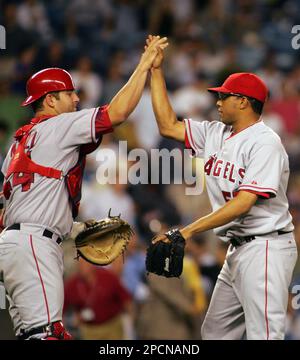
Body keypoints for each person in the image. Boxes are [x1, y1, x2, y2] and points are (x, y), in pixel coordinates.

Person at [0, 35, 168, 340]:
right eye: (69, 94)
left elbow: (11, 208)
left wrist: (75, 228)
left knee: (34, 334)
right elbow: (116, 113)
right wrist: (144, 64)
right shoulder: (59, 125)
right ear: (50, 100)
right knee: (48, 334)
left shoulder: (18, 143)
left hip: (16, 245)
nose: (76, 100)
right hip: (35, 246)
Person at [149, 38, 298, 340]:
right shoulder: (215, 133)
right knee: (215, 332)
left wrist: (186, 232)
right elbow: (167, 125)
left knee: (265, 336)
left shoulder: (265, 142)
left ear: (243, 101)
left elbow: (244, 203)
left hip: (266, 247)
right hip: (237, 249)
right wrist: (155, 70)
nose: (217, 101)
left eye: (224, 96)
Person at [64, 258, 132, 340]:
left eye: (85, 264)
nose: (82, 267)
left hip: (112, 326)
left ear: (92, 264)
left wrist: (130, 321)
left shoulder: (108, 277)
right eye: (80, 265)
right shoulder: (73, 284)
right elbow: (62, 308)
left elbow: (125, 298)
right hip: (89, 329)